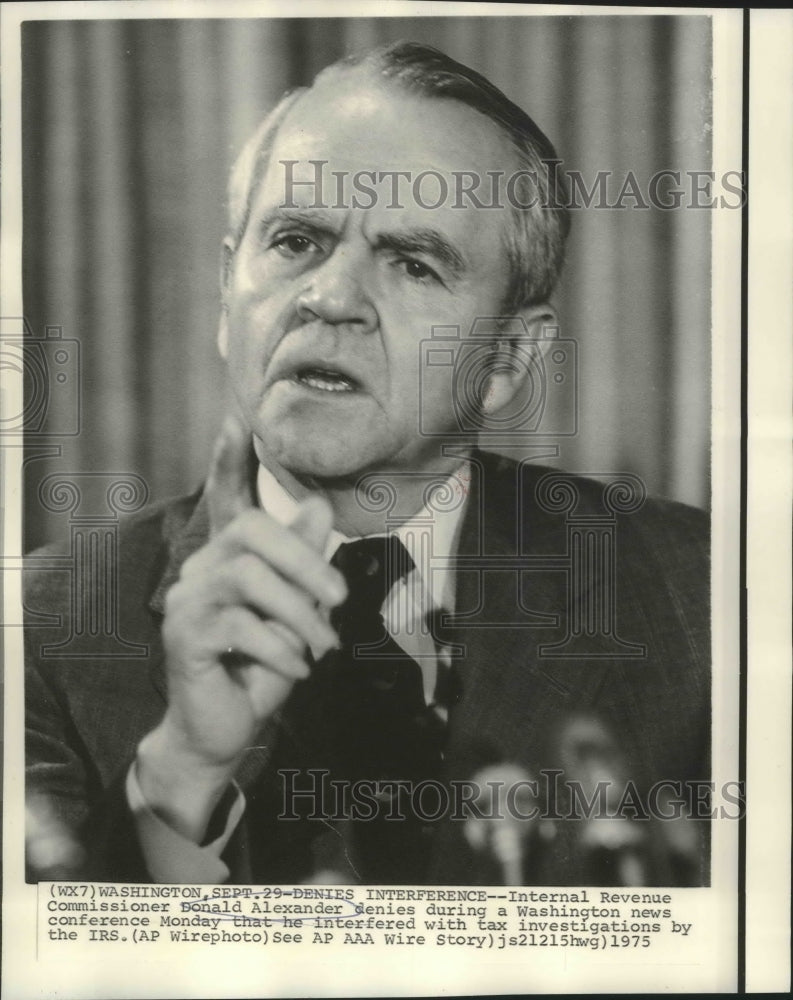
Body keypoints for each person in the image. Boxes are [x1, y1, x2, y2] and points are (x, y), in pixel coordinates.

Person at [25, 41, 710, 886]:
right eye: (295, 241)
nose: (331, 298)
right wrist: (181, 774)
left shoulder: (701, 599)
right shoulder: (37, 631)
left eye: (412, 262)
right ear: (222, 296)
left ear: (507, 357)